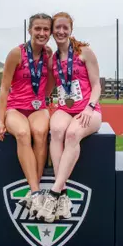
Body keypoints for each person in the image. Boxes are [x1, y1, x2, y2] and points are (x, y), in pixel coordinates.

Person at [36, 12, 102, 223]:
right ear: (53, 31)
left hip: (88, 109)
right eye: (58, 28)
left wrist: (90, 108)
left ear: (71, 29)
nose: (61, 31)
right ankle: (63, 194)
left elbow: (97, 85)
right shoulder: (53, 59)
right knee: (55, 130)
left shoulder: (84, 52)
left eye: (65, 27)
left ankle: (54, 193)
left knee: (72, 134)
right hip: (65, 108)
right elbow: (50, 86)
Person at [0, 13, 55, 217]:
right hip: (16, 107)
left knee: (39, 132)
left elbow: (51, 82)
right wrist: (0, 121)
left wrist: (43, 99)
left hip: (38, 108)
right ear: (29, 30)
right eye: (37, 28)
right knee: (22, 133)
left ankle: (33, 194)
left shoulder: (49, 54)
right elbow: (4, 88)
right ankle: (36, 191)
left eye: (46, 29)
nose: (42, 33)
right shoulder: (16, 53)